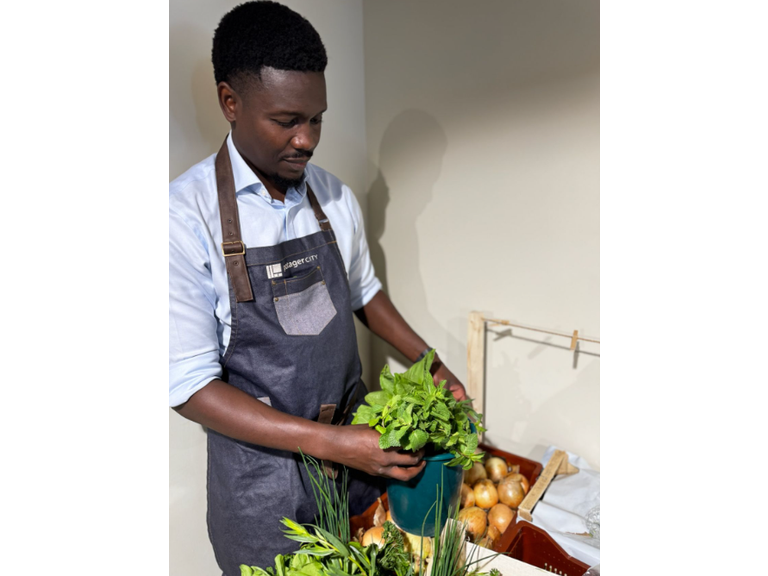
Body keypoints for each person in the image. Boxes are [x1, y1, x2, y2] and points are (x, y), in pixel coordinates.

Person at [169, 2, 468, 574]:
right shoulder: (184, 219)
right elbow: (189, 388)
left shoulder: (332, 198)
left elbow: (363, 292)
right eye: (287, 121)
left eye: (318, 119)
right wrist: (335, 444)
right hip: (264, 492)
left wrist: (429, 363)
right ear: (230, 102)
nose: (307, 140)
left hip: (356, 467)